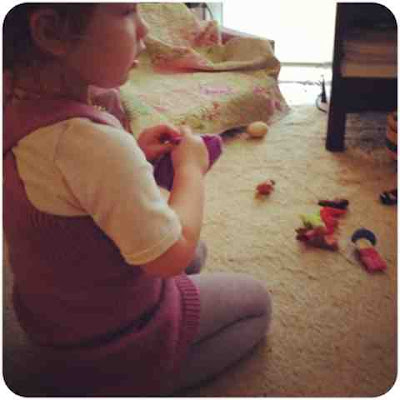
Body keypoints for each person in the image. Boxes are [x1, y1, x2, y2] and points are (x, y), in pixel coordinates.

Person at [3, 3, 272, 396]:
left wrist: (135, 156)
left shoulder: (16, 107)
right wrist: (190, 171)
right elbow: (171, 257)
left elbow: (67, 189)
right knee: (256, 303)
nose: (145, 29)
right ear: (50, 32)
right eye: (127, 12)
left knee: (198, 253)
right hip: (115, 340)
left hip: (56, 319)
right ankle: (136, 381)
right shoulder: (92, 143)